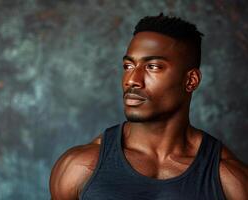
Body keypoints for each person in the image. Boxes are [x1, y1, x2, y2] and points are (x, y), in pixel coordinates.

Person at [49, 13, 248, 200]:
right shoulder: (79, 166)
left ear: (191, 80)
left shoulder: (230, 179)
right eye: (128, 66)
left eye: (153, 67)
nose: (132, 80)